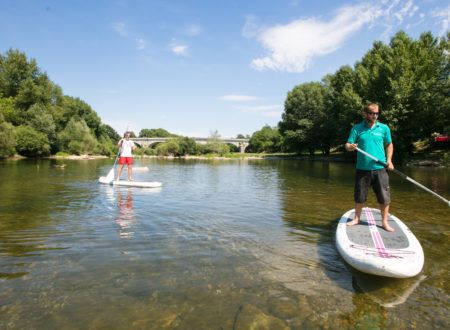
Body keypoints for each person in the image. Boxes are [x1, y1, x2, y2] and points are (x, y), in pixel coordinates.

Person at [345, 103, 395, 232]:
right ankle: (356, 218)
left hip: (380, 168)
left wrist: (389, 160)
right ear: (365, 114)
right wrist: (350, 147)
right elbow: (348, 145)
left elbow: (389, 144)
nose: (375, 116)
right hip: (362, 168)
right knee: (359, 196)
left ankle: (384, 222)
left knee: (384, 197)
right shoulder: (357, 128)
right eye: (372, 113)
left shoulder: (384, 128)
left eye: (377, 113)